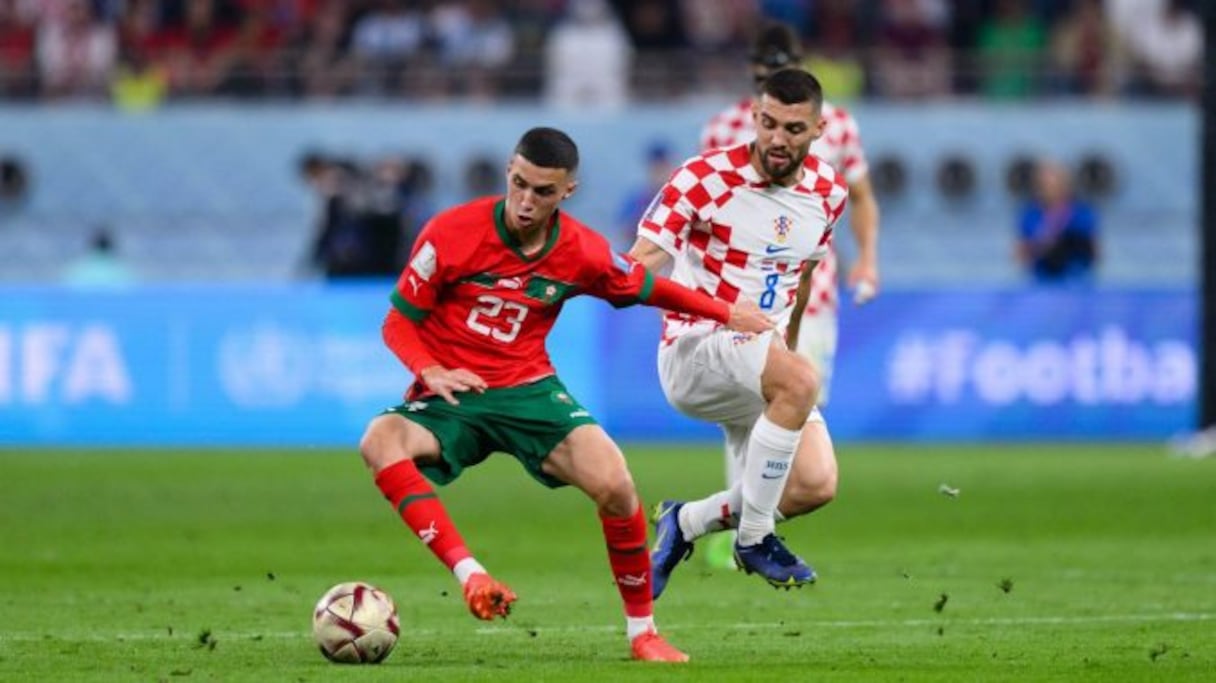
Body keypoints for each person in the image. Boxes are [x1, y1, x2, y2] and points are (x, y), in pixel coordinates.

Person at [357, 127, 774, 663]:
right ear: (509, 171)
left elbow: (645, 286)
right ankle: (471, 575)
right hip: (451, 395)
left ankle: (643, 633)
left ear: (567, 191)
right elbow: (397, 322)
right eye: (520, 184)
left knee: (619, 486)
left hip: (529, 392)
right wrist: (430, 369)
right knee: (379, 441)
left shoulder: (580, 249)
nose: (527, 202)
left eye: (543, 192)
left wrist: (725, 312)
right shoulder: (451, 232)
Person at [629, 69, 848, 596]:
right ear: (754, 116)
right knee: (800, 382)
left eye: (793, 129)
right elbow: (640, 262)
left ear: (818, 129)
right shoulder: (703, 178)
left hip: (761, 355)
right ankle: (753, 539)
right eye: (768, 123)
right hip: (694, 349)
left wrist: (786, 350)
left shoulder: (826, 193)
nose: (777, 138)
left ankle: (684, 523)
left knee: (815, 485)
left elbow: (803, 276)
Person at [693, 21, 882, 572]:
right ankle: (746, 534)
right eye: (761, 77)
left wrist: (868, 257)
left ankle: (741, 527)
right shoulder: (723, 129)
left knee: (790, 407)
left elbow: (862, 198)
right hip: (739, 299)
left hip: (812, 291)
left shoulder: (839, 126)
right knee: (746, 417)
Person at [1016, 160, 1099, 284]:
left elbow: (1095, 252)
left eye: (1054, 184)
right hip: (1041, 279)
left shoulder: (1081, 212)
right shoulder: (1030, 214)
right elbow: (1021, 253)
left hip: (1076, 279)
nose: (1049, 189)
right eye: (1044, 185)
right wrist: (1042, 246)